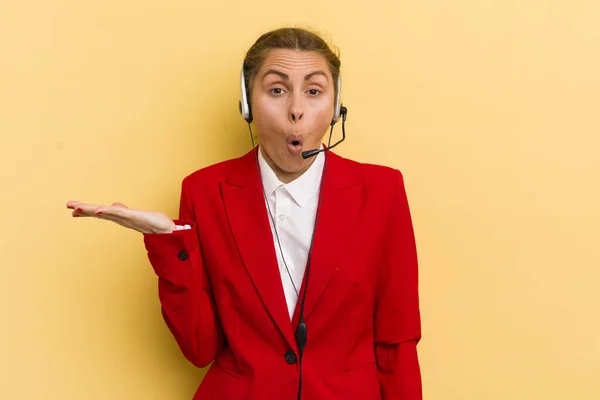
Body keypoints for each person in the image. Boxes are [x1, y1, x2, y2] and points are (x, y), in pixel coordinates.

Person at [67, 27, 422, 400]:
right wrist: (167, 245)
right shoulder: (204, 191)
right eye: (277, 90)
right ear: (247, 104)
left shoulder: (382, 191)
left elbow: (396, 342)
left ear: (336, 108)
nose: (296, 109)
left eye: (314, 91)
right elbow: (200, 349)